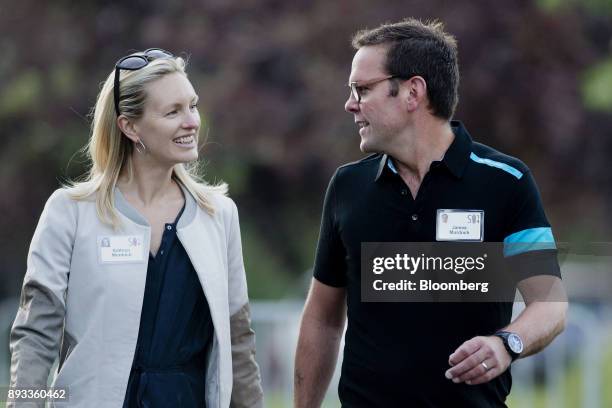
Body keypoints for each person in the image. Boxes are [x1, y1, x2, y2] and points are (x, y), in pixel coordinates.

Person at [294, 19, 567, 407]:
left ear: (412, 91)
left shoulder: (506, 181)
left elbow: (551, 303)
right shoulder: (347, 188)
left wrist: (507, 343)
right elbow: (322, 318)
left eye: (362, 89)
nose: (350, 103)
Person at [9, 49, 263, 408]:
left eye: (192, 105)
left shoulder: (220, 215)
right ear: (129, 126)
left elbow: (239, 342)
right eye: (173, 111)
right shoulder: (69, 213)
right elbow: (35, 337)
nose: (191, 122)